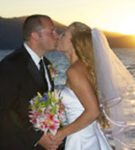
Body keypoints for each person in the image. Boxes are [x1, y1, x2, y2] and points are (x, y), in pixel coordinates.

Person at [0, 14, 62, 150]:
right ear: (35, 36)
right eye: (51, 31)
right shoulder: (11, 65)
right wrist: (36, 137)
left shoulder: (46, 64)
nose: (56, 35)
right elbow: (4, 111)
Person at [51, 22, 113, 150]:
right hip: (88, 134)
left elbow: (93, 111)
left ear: (74, 42)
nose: (58, 37)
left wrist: (61, 134)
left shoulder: (74, 71)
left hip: (82, 140)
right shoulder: (83, 67)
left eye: (64, 35)